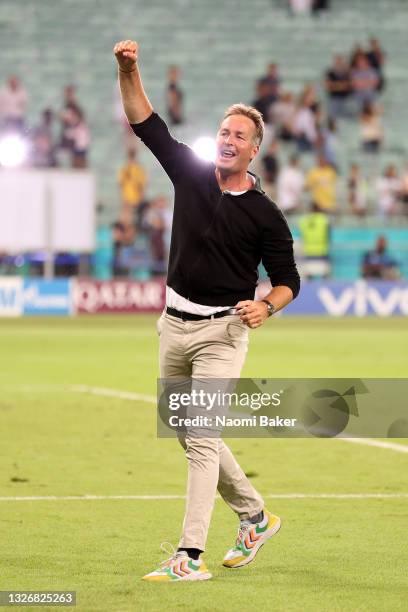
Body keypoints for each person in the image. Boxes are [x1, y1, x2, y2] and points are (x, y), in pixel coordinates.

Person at [114, 39, 300, 582]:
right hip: (172, 326)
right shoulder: (190, 175)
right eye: (223, 131)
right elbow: (143, 121)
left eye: (238, 135)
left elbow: (288, 281)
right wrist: (129, 70)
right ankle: (256, 517)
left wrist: (268, 306)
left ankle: (188, 556)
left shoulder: (267, 216)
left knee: (198, 437)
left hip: (223, 334)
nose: (227, 138)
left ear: (253, 149)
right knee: (186, 428)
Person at [118, 148, 147, 225]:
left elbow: (121, 183)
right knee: (129, 216)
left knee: (130, 216)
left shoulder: (127, 168)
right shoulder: (136, 168)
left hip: (131, 196)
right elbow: (142, 185)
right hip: (131, 196)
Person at [324, 55, 352, 120]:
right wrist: (341, 85)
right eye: (337, 62)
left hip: (345, 99)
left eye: (340, 62)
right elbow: (328, 86)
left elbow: (348, 86)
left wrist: (335, 85)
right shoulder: (330, 73)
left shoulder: (346, 73)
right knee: (332, 117)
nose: (339, 63)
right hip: (333, 98)